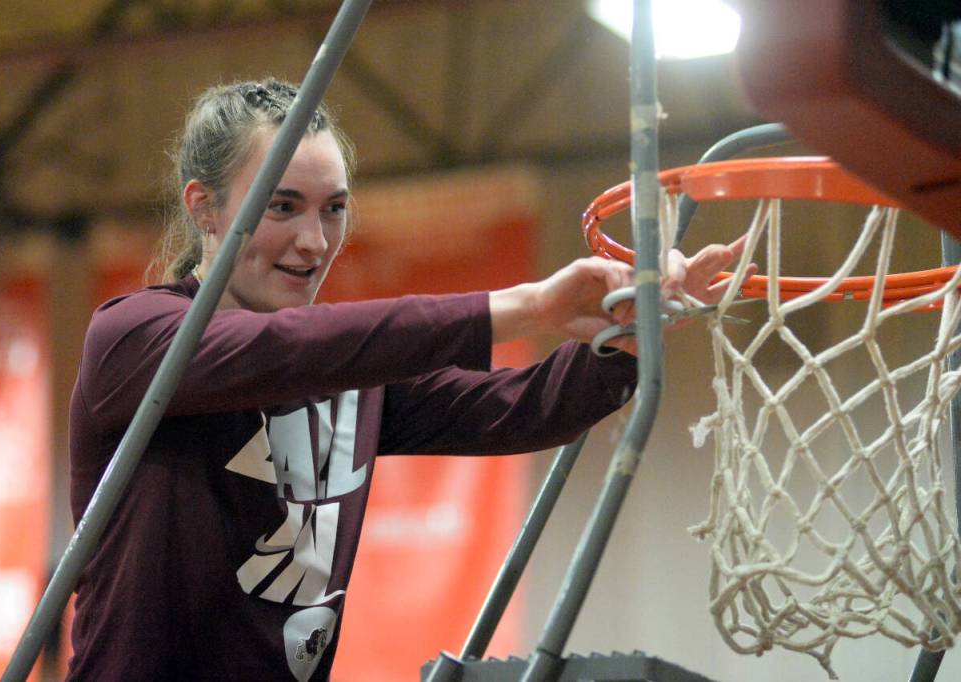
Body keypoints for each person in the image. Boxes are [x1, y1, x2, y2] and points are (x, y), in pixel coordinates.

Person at [65, 78, 748, 681]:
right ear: (204, 208)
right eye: (282, 207)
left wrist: (625, 334)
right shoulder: (133, 338)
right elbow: (284, 351)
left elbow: (524, 407)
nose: (314, 241)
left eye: (333, 208)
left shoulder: (350, 376)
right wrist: (530, 305)